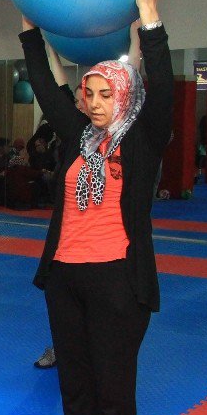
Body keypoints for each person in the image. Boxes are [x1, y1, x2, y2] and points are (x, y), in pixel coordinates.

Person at [20, 0, 173, 415]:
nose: (96, 103)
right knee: (75, 382)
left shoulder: (143, 139)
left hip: (117, 279)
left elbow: (162, 81)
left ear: (124, 96)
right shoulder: (74, 138)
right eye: (90, 95)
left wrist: (149, 15)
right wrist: (29, 30)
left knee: (112, 384)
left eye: (107, 94)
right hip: (66, 276)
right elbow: (42, 83)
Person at [32, 28, 142, 369]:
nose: (89, 102)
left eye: (99, 95)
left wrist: (137, 43)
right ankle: (60, 347)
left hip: (107, 257)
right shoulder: (75, 127)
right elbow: (56, 85)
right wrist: (50, 47)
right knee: (71, 310)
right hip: (70, 250)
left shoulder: (121, 131)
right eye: (85, 96)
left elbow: (129, 79)